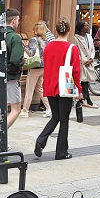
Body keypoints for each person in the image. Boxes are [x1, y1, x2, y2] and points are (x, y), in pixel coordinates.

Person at [34, 17, 83, 160]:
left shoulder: (48, 46)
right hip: (65, 86)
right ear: (69, 30)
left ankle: (41, 139)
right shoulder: (71, 48)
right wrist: (79, 90)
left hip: (50, 85)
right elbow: (76, 71)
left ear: (55, 30)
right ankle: (61, 152)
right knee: (64, 120)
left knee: (55, 116)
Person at [0, 8, 24, 150]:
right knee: (16, 109)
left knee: (1, 109)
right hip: (9, 78)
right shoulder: (14, 37)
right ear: (14, 19)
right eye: (18, 20)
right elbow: (17, 59)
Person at [20, 21, 55, 118]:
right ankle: (49, 108)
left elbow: (31, 53)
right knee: (40, 88)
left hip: (35, 67)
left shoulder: (34, 40)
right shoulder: (47, 41)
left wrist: (24, 46)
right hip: (44, 67)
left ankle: (25, 110)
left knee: (29, 89)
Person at [74, 20, 99, 108]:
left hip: (89, 62)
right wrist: (83, 60)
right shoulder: (76, 38)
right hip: (82, 63)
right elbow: (76, 51)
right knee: (83, 82)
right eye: (86, 26)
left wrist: (91, 59)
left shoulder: (89, 37)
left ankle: (83, 99)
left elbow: (92, 49)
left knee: (85, 81)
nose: (88, 27)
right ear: (81, 28)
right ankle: (86, 100)